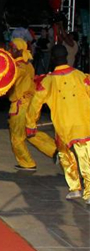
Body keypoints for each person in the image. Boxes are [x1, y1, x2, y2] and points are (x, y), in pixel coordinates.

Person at [27, 44, 90, 204]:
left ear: (53, 59)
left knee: (65, 156)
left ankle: (75, 188)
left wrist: (31, 124)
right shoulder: (80, 76)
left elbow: (35, 103)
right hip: (83, 125)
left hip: (62, 127)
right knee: (85, 158)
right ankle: (87, 191)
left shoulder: (48, 81)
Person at [7, 38, 56, 171]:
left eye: (11, 48)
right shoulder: (28, 65)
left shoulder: (17, 67)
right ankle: (56, 151)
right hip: (31, 104)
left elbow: (7, 81)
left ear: (17, 50)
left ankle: (26, 162)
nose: (9, 50)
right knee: (31, 132)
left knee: (17, 137)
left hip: (20, 106)